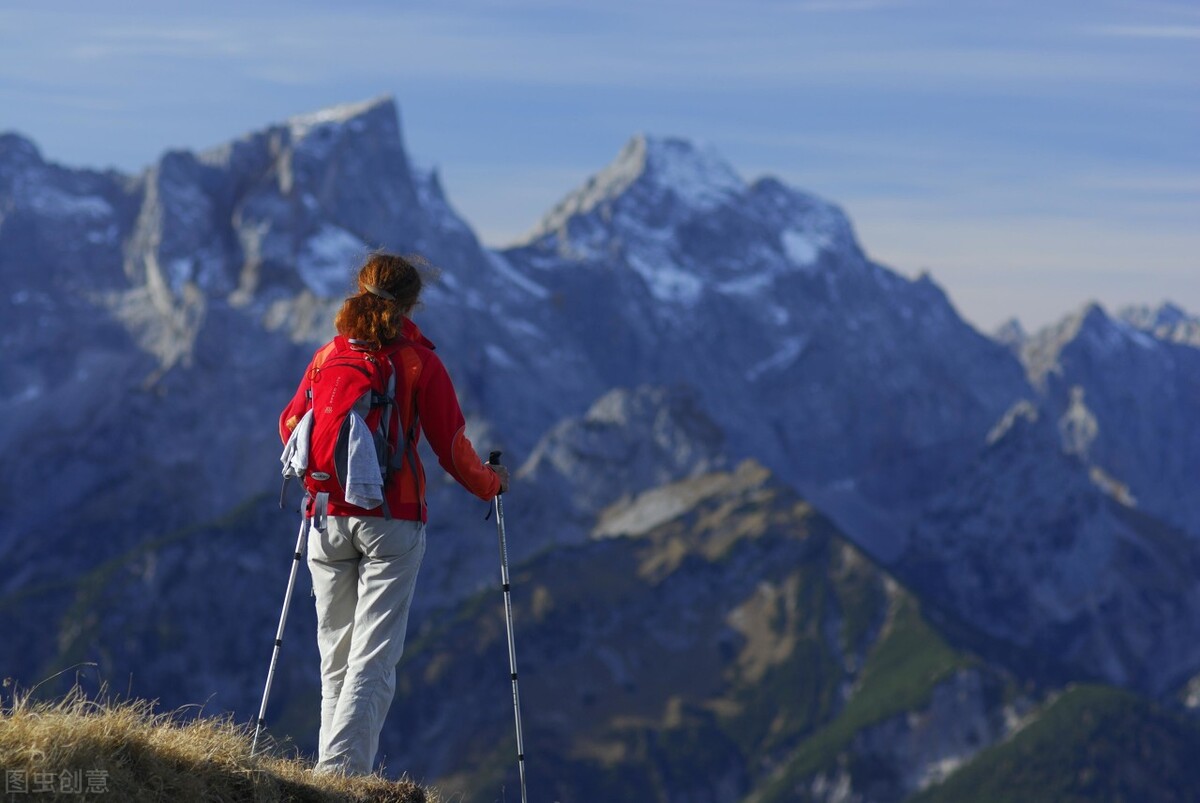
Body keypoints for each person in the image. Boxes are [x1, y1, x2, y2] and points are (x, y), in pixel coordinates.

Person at [278, 251, 509, 776]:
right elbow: (451, 447)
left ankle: (327, 773)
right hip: (393, 520)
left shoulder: (327, 356)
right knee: (372, 658)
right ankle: (340, 777)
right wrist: (491, 486)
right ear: (412, 304)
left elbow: (291, 424)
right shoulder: (418, 362)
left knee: (334, 656)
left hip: (326, 519)